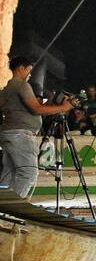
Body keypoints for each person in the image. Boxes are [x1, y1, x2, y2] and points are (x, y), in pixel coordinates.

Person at [0, 56, 74, 198]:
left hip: (8, 133)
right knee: (28, 173)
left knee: (10, 174)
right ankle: (14, 210)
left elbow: (31, 108)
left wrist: (51, 102)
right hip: (20, 134)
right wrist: (64, 106)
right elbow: (36, 110)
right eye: (29, 70)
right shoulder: (21, 84)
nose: (30, 74)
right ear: (21, 68)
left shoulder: (6, 87)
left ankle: (3, 209)